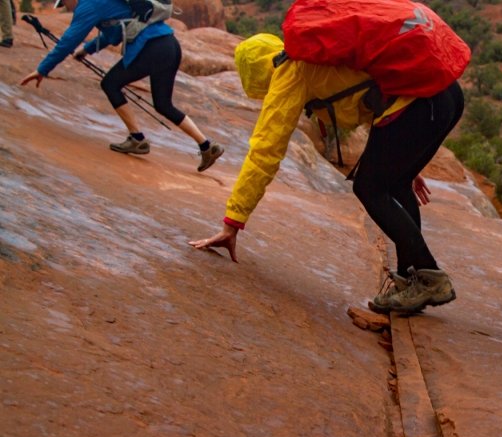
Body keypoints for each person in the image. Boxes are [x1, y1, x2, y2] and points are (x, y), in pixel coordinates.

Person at [190, 34, 465, 314]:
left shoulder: (289, 74)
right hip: (444, 92)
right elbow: (367, 92)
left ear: (256, 75)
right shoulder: (313, 57)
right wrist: (404, 160)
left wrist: (232, 222)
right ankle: (409, 280)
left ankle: (429, 275)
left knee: (368, 188)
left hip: (420, 103)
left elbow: (263, 154)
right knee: (394, 184)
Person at [20, 0, 223, 172]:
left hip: (151, 48)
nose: (67, 8)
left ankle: (137, 138)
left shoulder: (87, 5)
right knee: (163, 104)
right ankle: (207, 146)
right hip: (169, 45)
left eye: (64, 3)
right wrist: (87, 51)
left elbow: (68, 41)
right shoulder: (105, 3)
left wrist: (43, 69)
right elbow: (113, 34)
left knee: (110, 84)